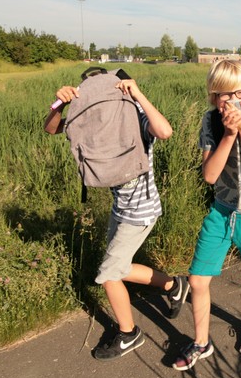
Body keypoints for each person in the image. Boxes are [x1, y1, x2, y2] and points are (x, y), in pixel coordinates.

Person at [44, 73, 187, 361]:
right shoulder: (96, 121)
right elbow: (52, 129)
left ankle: (129, 333)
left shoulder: (135, 118)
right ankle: (174, 285)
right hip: (120, 209)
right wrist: (59, 104)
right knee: (119, 268)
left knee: (109, 274)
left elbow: (164, 131)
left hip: (142, 210)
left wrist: (138, 94)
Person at [173, 60, 241, 371]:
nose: (232, 101)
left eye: (240, 93)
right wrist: (229, 135)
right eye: (223, 94)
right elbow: (209, 175)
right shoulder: (210, 121)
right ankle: (201, 342)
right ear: (213, 95)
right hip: (222, 211)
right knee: (197, 279)